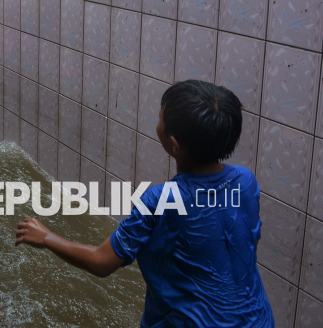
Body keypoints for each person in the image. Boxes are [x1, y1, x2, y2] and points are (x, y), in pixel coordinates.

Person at [15, 80, 274, 327]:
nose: (158, 123)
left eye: (161, 119)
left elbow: (101, 262)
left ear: (174, 145)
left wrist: (46, 237)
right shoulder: (246, 181)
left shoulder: (160, 200)